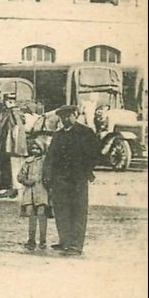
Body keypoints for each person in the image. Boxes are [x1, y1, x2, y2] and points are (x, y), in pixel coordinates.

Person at [43, 106, 99, 255]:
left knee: (78, 210)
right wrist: (48, 175)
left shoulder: (86, 133)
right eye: (63, 118)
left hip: (77, 178)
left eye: (68, 116)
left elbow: (94, 154)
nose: (65, 120)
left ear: (75, 115)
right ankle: (64, 241)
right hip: (59, 178)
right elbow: (50, 156)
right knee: (61, 209)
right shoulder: (58, 135)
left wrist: (86, 170)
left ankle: (76, 244)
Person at [17, 134, 52, 251]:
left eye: (38, 148)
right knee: (31, 216)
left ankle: (43, 241)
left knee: (42, 216)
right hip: (30, 192)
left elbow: (51, 175)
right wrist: (26, 181)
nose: (35, 150)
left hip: (42, 192)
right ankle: (31, 240)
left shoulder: (46, 162)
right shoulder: (28, 162)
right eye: (33, 148)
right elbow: (20, 176)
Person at [0, 92, 28, 198]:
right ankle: (12, 188)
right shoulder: (11, 112)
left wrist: (14, 144)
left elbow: (17, 128)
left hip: (12, 144)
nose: (6, 103)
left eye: (8, 101)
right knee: (9, 166)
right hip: (8, 143)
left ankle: (16, 188)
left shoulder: (14, 112)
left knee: (14, 166)